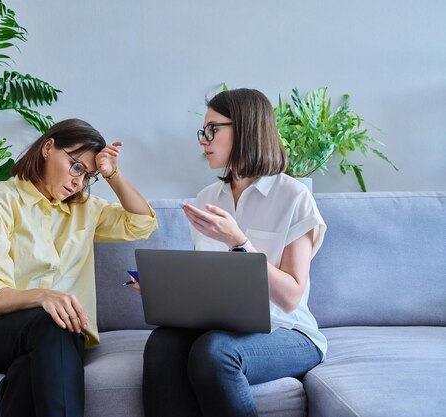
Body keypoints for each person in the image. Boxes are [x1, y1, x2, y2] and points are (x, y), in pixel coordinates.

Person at [0, 118, 158, 417]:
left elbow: (142, 224)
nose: (78, 182)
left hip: (58, 337)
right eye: (76, 167)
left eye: (89, 176)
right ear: (48, 147)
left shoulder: (85, 209)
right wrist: (44, 296)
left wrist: (114, 175)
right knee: (53, 322)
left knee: (28, 371)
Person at [139, 88, 327, 417]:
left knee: (215, 352)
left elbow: (290, 297)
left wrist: (240, 243)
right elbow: (209, 284)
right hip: (223, 325)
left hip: (287, 330)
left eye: (213, 129)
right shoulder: (207, 197)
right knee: (162, 344)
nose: (203, 139)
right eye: (203, 131)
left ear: (245, 128)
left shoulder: (294, 197)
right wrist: (168, 290)